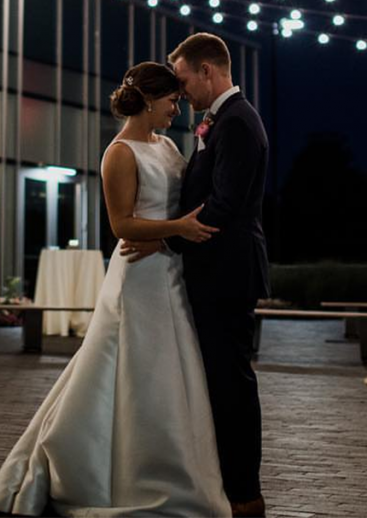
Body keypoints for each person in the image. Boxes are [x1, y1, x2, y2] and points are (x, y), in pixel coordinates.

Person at [0, 61, 231, 517]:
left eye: (178, 99)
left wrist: (171, 236)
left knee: (168, 370)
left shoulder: (168, 145)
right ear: (149, 100)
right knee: (132, 366)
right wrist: (181, 228)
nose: (176, 108)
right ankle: (93, 465)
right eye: (171, 100)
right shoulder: (119, 153)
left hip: (168, 268)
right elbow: (120, 224)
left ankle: (169, 464)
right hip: (138, 274)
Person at [125, 33, 269, 517]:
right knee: (219, 381)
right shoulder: (220, 122)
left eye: (184, 79)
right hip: (211, 270)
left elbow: (224, 205)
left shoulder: (237, 124)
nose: (180, 91)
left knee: (232, 383)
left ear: (207, 70)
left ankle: (245, 493)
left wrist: (162, 239)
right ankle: (224, 484)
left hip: (227, 272)